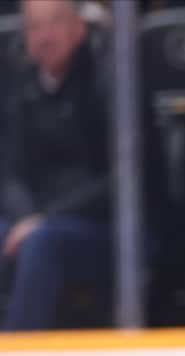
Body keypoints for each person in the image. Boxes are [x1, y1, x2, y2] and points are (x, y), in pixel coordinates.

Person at [0, 0, 111, 331]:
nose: (44, 36)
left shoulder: (108, 80)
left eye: (54, 24)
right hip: (37, 221)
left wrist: (45, 219)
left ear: (78, 26)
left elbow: (125, 180)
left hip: (103, 228)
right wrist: (27, 217)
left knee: (41, 243)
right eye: (34, 27)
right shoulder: (22, 87)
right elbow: (10, 171)